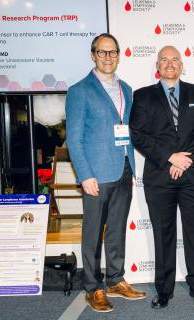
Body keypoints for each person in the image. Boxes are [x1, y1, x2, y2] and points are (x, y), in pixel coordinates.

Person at [130, 46, 194, 309]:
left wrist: (185, 160)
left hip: (193, 177)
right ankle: (164, 290)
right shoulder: (143, 96)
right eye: (164, 60)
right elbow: (139, 134)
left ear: (182, 65)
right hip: (159, 177)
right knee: (163, 236)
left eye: (174, 59)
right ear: (157, 65)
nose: (170, 64)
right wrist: (170, 157)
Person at [65, 33, 146, 313]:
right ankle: (92, 287)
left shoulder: (127, 89)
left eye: (112, 52)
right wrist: (84, 175)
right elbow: (74, 139)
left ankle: (115, 279)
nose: (108, 57)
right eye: (102, 52)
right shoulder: (79, 90)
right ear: (93, 55)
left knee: (116, 231)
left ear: (118, 55)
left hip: (124, 169)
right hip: (95, 176)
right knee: (92, 234)